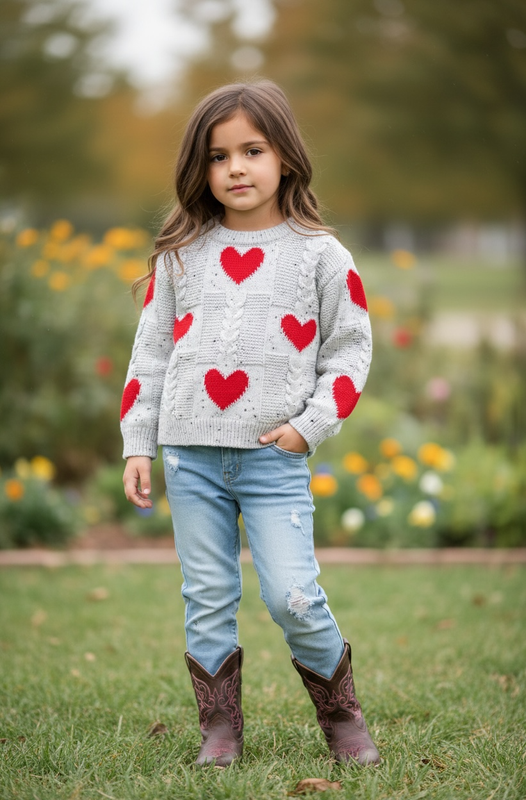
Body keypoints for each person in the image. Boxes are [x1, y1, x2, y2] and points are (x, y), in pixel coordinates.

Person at [121, 80, 379, 769]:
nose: (234, 168)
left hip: (273, 457)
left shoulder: (321, 255)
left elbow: (350, 351)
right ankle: (219, 729)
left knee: (292, 595)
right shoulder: (180, 254)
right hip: (189, 453)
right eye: (217, 156)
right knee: (206, 595)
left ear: (285, 157)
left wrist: (310, 426)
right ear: (199, 169)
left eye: (251, 150)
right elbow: (150, 352)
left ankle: (341, 715)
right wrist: (137, 443)